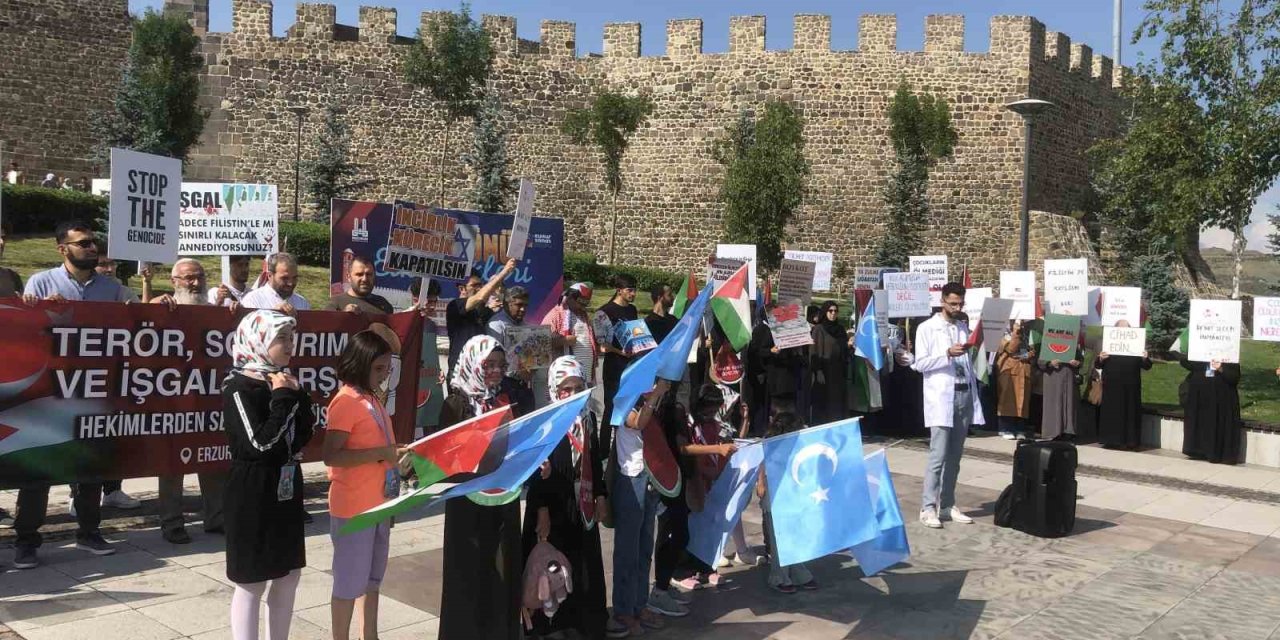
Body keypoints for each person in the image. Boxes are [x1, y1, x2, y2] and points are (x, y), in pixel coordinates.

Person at [13, 220, 136, 569]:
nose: (91, 248)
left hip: (92, 391)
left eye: (93, 242)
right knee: (40, 468)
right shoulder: (41, 282)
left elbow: (143, 315)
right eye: (82, 243)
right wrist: (34, 307)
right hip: (49, 393)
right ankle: (26, 540)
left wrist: (157, 300)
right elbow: (25, 328)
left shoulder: (111, 288)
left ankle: (88, 531)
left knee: (89, 466)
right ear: (62, 249)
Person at [221, 310, 315, 640]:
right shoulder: (239, 387)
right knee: (252, 581)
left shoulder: (283, 380)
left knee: (288, 576)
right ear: (258, 342)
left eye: (291, 337)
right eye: (281, 338)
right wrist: (284, 399)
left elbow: (301, 436)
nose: (290, 344)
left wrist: (296, 398)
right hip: (253, 490)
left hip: (286, 485)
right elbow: (258, 445)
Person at [437, 335, 526, 640]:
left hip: (504, 500)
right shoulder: (455, 403)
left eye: (501, 365)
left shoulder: (505, 398)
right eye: (489, 364)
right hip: (467, 505)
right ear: (474, 363)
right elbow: (443, 459)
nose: (497, 371)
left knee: (502, 571)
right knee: (468, 574)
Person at [324, 330, 407, 640]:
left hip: (378, 503)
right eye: (378, 369)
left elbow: (380, 447)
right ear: (360, 364)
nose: (384, 376)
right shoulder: (346, 401)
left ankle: (369, 634)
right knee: (348, 582)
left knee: (372, 580)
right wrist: (382, 453)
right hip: (354, 508)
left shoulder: (372, 399)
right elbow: (331, 455)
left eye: (387, 369)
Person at [521, 357, 609, 639]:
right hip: (552, 504)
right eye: (565, 389)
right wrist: (543, 511)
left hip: (581, 503)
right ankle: (550, 626)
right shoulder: (546, 420)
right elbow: (538, 472)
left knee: (584, 566)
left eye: (577, 387)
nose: (571, 395)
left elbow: (593, 459)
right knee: (553, 567)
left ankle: (584, 622)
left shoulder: (588, 418)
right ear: (553, 390)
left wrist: (601, 494)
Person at [150, 259, 230, 544]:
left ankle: (216, 517)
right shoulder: (162, 307)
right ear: (174, 281)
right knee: (172, 463)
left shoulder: (215, 312)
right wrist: (151, 306)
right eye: (187, 279)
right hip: (172, 400)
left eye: (199, 277)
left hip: (207, 398)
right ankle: (172, 522)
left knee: (210, 458)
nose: (195, 283)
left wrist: (231, 313)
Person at [910, 282, 984, 529]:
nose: (957, 307)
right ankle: (928, 506)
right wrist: (946, 354)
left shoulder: (962, 326)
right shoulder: (926, 328)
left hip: (963, 393)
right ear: (942, 301)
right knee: (938, 455)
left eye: (960, 303)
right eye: (953, 303)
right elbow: (919, 364)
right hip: (941, 396)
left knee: (955, 456)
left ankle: (948, 503)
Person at [610, 379, 672, 637]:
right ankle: (624, 610)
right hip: (631, 479)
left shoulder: (650, 402)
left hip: (650, 478)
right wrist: (656, 393)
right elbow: (638, 423)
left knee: (645, 547)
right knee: (628, 550)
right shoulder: (623, 402)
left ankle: (639, 604)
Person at [758, 412, 817, 593]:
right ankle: (778, 576)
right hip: (774, 494)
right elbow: (761, 462)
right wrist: (761, 483)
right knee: (778, 538)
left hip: (792, 493)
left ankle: (799, 572)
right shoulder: (770, 443)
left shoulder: (798, 443)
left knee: (795, 534)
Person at [445, 260, 516, 379]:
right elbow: (481, 296)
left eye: (480, 285)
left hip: (480, 373)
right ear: (462, 289)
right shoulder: (455, 306)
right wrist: (505, 271)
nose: (479, 289)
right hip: (460, 372)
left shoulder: (483, 311)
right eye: (474, 286)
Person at [594, 274, 640, 455]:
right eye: (630, 290)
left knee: (629, 406)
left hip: (631, 366)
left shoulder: (633, 310)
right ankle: (604, 451)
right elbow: (602, 345)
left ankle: (622, 448)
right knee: (611, 408)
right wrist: (621, 352)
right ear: (619, 290)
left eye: (635, 290)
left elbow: (635, 333)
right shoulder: (604, 312)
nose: (633, 294)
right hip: (614, 366)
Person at [1095, 324, 1152, 450]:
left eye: (1126, 327)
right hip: (1112, 385)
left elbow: (1147, 366)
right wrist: (1101, 358)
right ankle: (1110, 439)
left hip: (1131, 385)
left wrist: (1145, 358)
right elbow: (1098, 364)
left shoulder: (1136, 343)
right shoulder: (1108, 343)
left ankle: (1130, 440)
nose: (1123, 329)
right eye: (1121, 327)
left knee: (1130, 412)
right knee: (1112, 412)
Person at [1180, 355, 1242, 464]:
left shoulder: (1230, 353)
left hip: (1222, 395)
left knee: (1217, 421)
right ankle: (1199, 450)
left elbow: (1234, 377)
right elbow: (1187, 363)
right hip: (1201, 392)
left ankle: (1216, 452)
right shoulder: (1199, 350)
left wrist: (1220, 368)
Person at [542, 282, 597, 384]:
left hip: (586, 374)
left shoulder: (584, 315)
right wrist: (563, 340)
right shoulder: (555, 314)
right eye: (581, 303)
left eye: (586, 304)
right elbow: (542, 341)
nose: (582, 307)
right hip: (567, 377)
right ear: (570, 298)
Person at [995, 320, 1035, 440]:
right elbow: (1011, 349)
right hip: (1008, 369)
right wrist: (1016, 333)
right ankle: (1005, 428)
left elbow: (1033, 351)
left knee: (1023, 400)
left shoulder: (1027, 334)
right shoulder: (1002, 334)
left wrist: (1026, 356)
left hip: (1024, 369)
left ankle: (1020, 428)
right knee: (1008, 398)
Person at [810, 301, 849, 424]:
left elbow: (843, 349)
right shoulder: (819, 329)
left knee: (837, 403)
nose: (833, 314)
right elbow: (813, 352)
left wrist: (848, 345)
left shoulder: (840, 329)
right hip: (824, 372)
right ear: (825, 312)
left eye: (835, 311)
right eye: (830, 311)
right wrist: (818, 371)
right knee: (824, 402)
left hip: (838, 372)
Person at [1038, 338, 1082, 440]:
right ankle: (1053, 432)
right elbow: (1040, 361)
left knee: (1069, 403)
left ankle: (1068, 432)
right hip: (1052, 376)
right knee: (1054, 403)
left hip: (1069, 376)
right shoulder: (1047, 339)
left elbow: (1080, 360)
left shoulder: (1073, 339)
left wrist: (1077, 363)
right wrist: (1049, 363)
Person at [240, 252, 309, 314]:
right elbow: (248, 327)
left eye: (294, 278)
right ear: (270, 275)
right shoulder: (252, 300)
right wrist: (273, 314)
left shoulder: (302, 303)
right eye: (285, 278)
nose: (290, 283)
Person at [326, 255, 393, 314]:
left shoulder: (384, 304)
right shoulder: (335, 303)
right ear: (348, 277)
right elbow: (326, 327)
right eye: (359, 274)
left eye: (369, 274)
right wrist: (343, 316)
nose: (364, 279)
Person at [0, 222, 23, 299]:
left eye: (3, 238)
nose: (1, 242)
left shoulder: (13, 277)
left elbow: (25, 309)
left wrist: (46, 303)